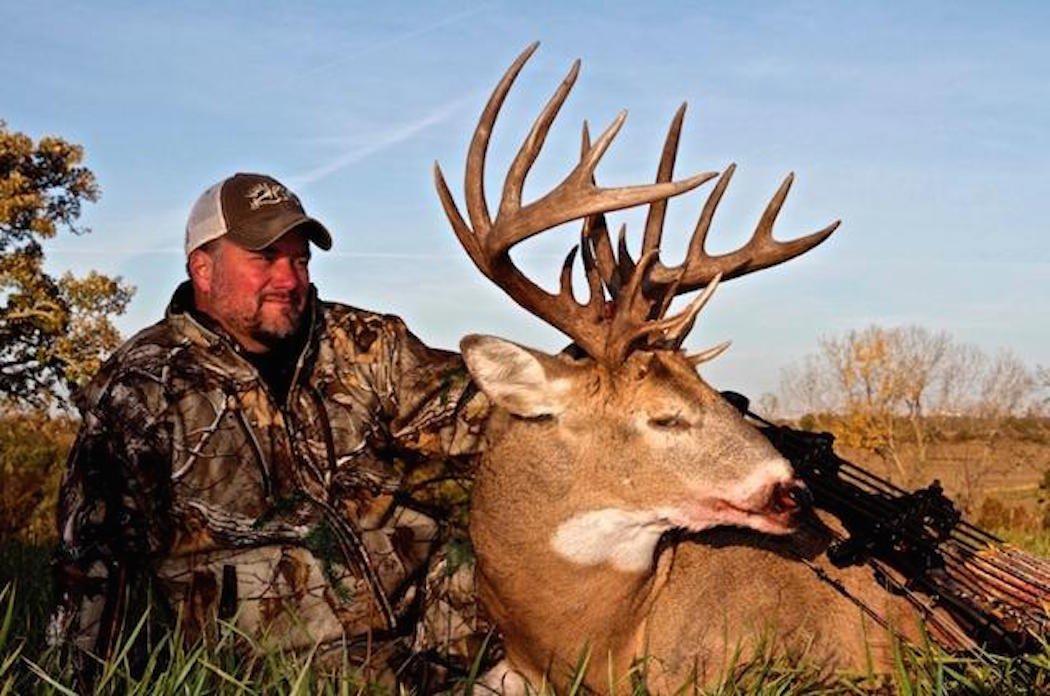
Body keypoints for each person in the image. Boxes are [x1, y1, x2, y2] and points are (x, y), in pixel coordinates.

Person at [51, 173, 491, 687]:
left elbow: (489, 416)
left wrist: (589, 377)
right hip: (268, 677)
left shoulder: (369, 347)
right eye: (265, 258)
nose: (289, 278)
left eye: (300, 260)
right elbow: (91, 571)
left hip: (441, 654)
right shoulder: (143, 388)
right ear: (203, 269)